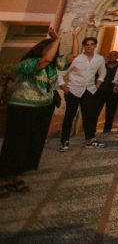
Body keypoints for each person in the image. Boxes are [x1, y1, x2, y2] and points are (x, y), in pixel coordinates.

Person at [0, 27, 60, 196]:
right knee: (15, 142)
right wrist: (56, 40)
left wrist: (73, 38)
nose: (53, 53)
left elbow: (71, 58)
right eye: (50, 49)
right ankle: (3, 176)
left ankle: (18, 175)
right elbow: (46, 59)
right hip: (23, 107)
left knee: (30, 143)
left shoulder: (51, 68)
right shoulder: (28, 63)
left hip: (42, 108)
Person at [58, 31, 107, 150]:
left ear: (95, 45)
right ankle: (65, 141)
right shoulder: (76, 59)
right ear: (83, 46)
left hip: (89, 90)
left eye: (91, 44)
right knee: (70, 115)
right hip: (73, 89)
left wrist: (97, 84)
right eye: (87, 44)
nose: (89, 46)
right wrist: (64, 87)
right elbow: (61, 72)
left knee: (89, 115)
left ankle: (90, 139)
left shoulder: (99, 59)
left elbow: (102, 72)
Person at [96, 50, 118, 133]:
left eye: (114, 55)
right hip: (101, 90)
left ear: (117, 57)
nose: (111, 56)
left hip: (113, 92)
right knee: (96, 109)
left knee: (110, 111)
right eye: (110, 55)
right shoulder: (103, 66)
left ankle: (107, 129)